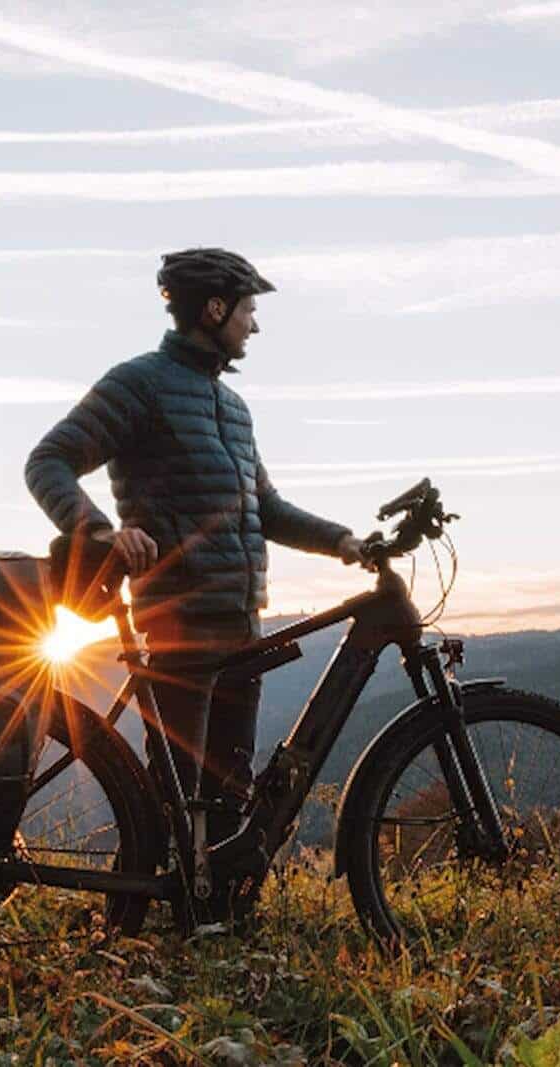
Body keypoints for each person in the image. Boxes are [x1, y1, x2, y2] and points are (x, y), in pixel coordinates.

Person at [25, 248, 365, 915]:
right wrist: (97, 530)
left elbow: (265, 508)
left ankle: (209, 918)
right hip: (179, 618)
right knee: (174, 789)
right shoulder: (139, 385)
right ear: (214, 309)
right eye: (248, 310)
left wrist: (342, 541)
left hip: (243, 622)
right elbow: (50, 461)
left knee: (228, 786)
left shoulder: (233, 409)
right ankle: (132, 918)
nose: (254, 327)